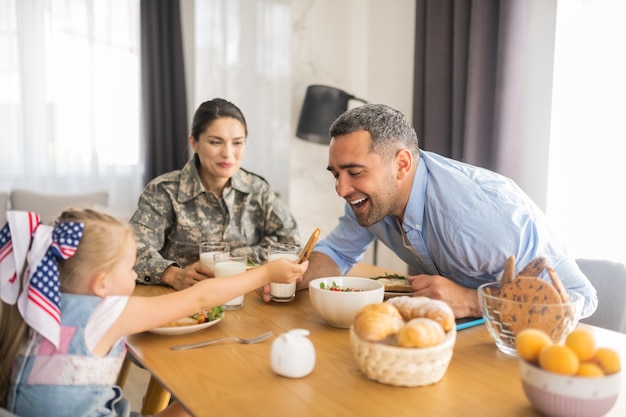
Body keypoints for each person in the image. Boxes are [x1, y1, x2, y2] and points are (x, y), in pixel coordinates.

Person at [257, 103, 597, 320]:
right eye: (336, 174)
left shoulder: (479, 218)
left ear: (402, 164)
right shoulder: (371, 201)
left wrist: (472, 302)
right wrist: (294, 277)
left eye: (355, 172)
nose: (341, 189)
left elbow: (578, 299)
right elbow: (335, 252)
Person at [0, 208, 307, 417]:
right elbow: (200, 298)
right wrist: (267, 273)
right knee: (215, 399)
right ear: (102, 284)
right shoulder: (105, 313)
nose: (135, 276)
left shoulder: (29, 304)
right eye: (130, 268)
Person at [130, 98, 300, 290]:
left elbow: (290, 242)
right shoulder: (164, 192)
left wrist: (232, 259)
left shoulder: (257, 189)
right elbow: (131, 251)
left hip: (249, 299)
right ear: (194, 142)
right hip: (185, 304)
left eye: (237, 143)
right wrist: (172, 274)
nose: (228, 153)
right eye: (215, 142)